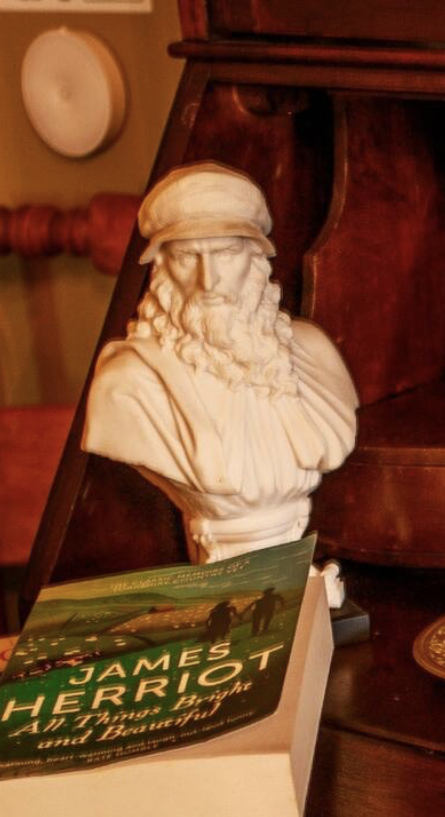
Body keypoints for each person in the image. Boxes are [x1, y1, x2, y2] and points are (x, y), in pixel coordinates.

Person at [82, 162, 358, 568]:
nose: (207, 281)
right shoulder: (126, 385)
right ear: (162, 269)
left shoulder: (313, 352)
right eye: (186, 257)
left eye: (226, 253)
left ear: (256, 261)